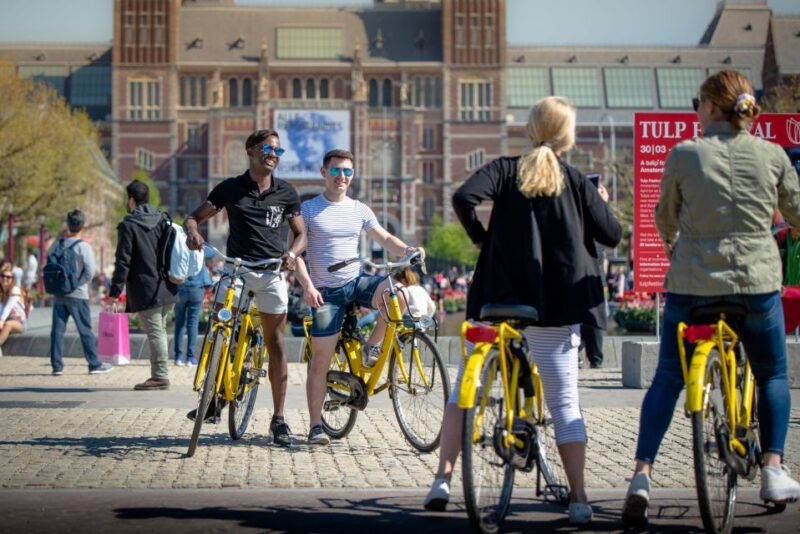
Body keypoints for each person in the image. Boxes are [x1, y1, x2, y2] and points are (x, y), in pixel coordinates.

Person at [424, 96, 621, 525]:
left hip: (498, 298)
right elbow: (612, 235)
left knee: (463, 390)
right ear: (568, 136)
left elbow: (462, 197)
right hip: (553, 305)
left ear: (529, 130)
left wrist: (481, 237)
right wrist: (599, 200)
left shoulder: (502, 169)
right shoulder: (575, 181)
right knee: (564, 401)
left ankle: (441, 479)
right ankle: (581, 499)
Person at [622, 70, 800, 527]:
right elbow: (798, 211)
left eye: (697, 103)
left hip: (692, 286)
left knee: (667, 379)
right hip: (756, 284)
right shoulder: (772, 154)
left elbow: (665, 215)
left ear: (711, 107)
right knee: (772, 373)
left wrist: (675, 244)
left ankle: (641, 476)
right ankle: (774, 469)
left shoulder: (684, 155)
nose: (695, 110)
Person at [293, 148, 424, 446]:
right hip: (326, 292)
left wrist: (408, 251)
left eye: (347, 171)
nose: (342, 177)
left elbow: (385, 238)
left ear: (353, 175)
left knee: (398, 295)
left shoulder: (360, 209)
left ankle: (372, 348)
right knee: (320, 362)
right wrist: (308, 287)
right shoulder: (309, 209)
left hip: (356, 281)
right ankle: (315, 426)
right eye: (336, 170)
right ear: (324, 172)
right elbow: (297, 254)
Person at [184, 128, 306, 447]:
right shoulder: (230, 188)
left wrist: (292, 254)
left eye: (278, 151)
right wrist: (193, 234)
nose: (273, 155)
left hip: (270, 272)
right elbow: (193, 218)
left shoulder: (287, 193)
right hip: (235, 269)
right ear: (250, 151)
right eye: (267, 149)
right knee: (220, 327)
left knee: (276, 343)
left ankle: (278, 420)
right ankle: (212, 393)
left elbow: (301, 234)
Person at [109, 180, 178, 390]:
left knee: (156, 333)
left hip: (146, 288)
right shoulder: (163, 219)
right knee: (159, 331)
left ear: (131, 200)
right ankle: (158, 373)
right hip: (168, 286)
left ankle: (160, 376)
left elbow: (123, 261)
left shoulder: (129, 225)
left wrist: (114, 292)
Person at [49, 210, 113, 376]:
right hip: (78, 294)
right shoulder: (83, 246)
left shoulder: (57, 244)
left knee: (57, 330)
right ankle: (94, 364)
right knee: (85, 330)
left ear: (68, 224)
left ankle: (57, 366)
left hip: (59, 294)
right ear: (83, 226)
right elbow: (91, 271)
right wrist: (79, 283)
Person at [173, 263, 212, 366]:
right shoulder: (198, 254)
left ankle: (178, 357)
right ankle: (190, 358)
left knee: (179, 323)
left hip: (180, 288)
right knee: (193, 324)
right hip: (196, 289)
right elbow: (207, 282)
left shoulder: (180, 252)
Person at [0, 261, 27, 357]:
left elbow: (8, 307)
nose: (5, 279)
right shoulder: (2, 292)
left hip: (19, 323)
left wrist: (1, 321)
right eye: (3, 276)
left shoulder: (15, 290)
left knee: (8, 324)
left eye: (8, 277)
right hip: (5, 319)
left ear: (12, 280)